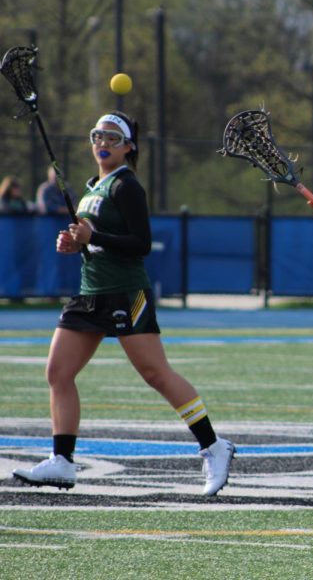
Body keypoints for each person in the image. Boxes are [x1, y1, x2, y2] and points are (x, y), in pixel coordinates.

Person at [10, 111, 235, 496]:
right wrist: (74, 243)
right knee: (58, 373)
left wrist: (94, 235)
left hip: (125, 293)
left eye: (113, 138)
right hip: (88, 293)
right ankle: (62, 461)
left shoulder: (126, 186)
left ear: (129, 146)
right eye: (98, 136)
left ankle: (214, 446)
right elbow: (92, 242)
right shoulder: (91, 187)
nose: (103, 143)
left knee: (156, 374)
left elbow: (140, 244)